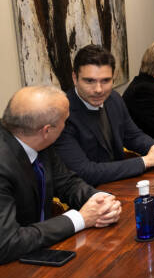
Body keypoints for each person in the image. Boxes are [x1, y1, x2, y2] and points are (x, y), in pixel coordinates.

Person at [0, 86, 121, 264]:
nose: (67, 124)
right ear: (46, 130)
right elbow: (7, 243)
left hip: (44, 252)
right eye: (65, 120)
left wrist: (99, 200)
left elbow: (66, 182)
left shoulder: (37, 140)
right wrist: (81, 218)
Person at [55, 45, 154, 187]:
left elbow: (133, 135)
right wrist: (147, 161)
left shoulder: (113, 98)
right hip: (90, 197)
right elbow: (85, 172)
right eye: (89, 81)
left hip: (122, 183)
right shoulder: (62, 115)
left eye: (105, 81)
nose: (98, 90)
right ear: (75, 78)